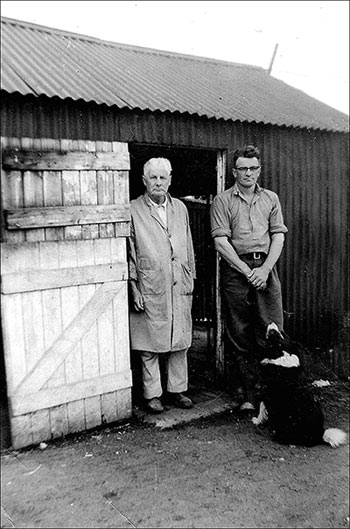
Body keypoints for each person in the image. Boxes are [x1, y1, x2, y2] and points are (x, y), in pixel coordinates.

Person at [210, 145, 288, 412]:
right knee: (239, 332)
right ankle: (248, 395)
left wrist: (264, 270)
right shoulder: (222, 201)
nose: (248, 173)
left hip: (266, 268)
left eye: (253, 168)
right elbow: (221, 242)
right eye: (243, 168)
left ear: (259, 170)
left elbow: (278, 236)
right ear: (234, 171)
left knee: (272, 329)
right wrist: (247, 271)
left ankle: (276, 393)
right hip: (236, 271)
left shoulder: (271, 199)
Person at [128, 157, 196, 414]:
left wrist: (191, 278)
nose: (158, 182)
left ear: (170, 180)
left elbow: (188, 246)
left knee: (180, 339)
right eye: (153, 178)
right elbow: (130, 250)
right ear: (144, 181)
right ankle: (152, 394)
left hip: (178, 281)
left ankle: (178, 390)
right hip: (150, 282)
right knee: (149, 341)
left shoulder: (180, 208)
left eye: (162, 177)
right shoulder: (133, 209)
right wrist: (133, 285)